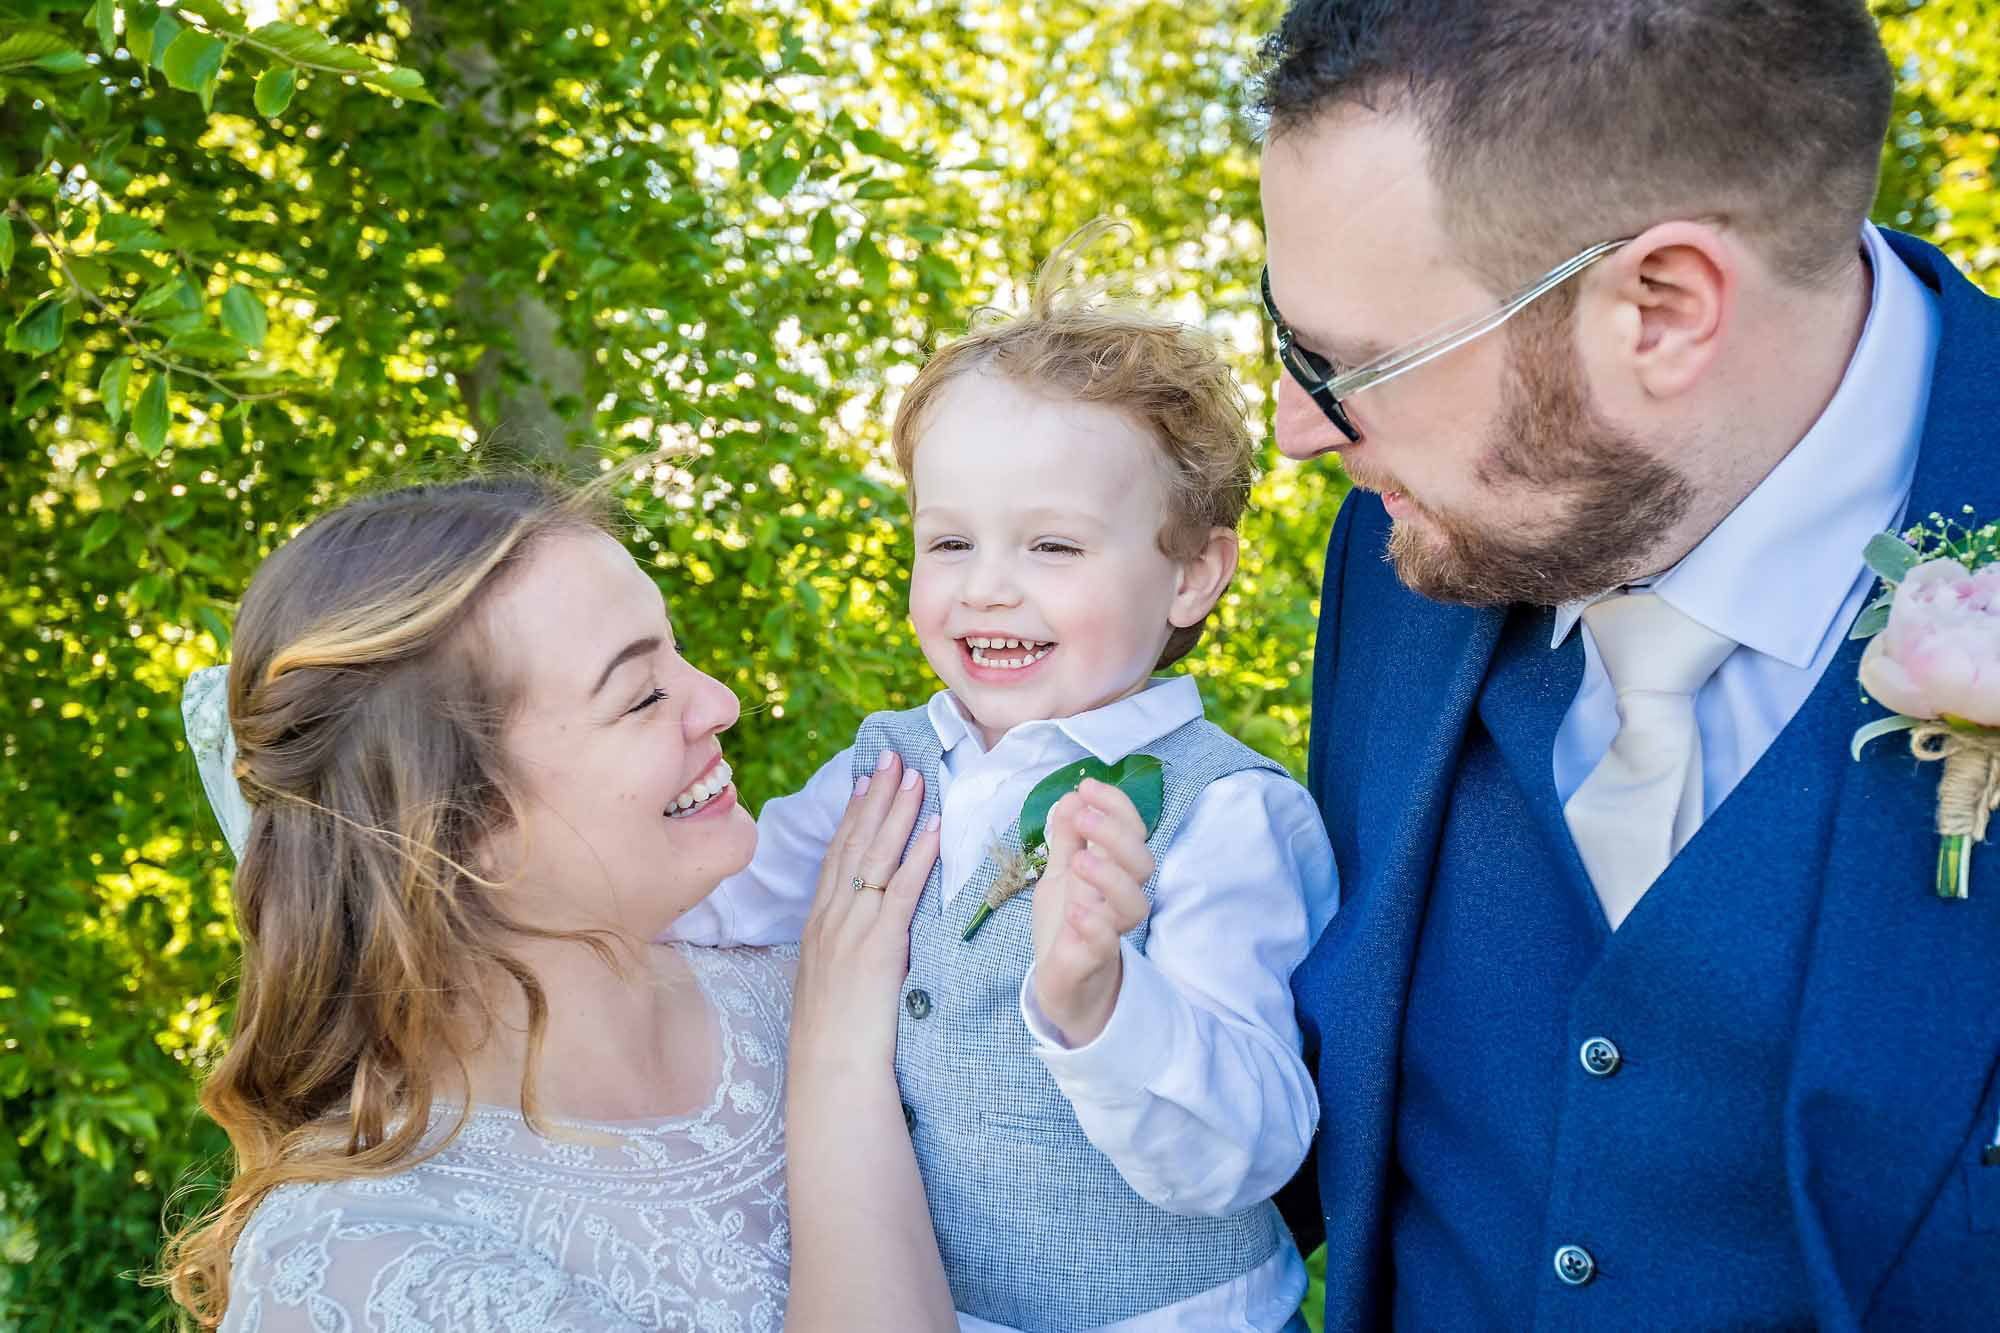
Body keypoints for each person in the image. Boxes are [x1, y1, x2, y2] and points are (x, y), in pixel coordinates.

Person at [1257, 1, 2000, 1328]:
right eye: (1288, 334)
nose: (1296, 430)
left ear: (1660, 309)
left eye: (1357, 364)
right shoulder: (1408, 543)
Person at [672, 236, 1338, 1331]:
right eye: (947, 542)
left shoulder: (1227, 815)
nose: (985, 589)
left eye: (1051, 548)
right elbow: (721, 905)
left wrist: (1103, 999)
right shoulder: (881, 768)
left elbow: (1250, 1149)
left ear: (1190, 574)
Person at [164, 474, 958, 1331]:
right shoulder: (372, 1264)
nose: (720, 703)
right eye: (643, 695)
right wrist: (838, 1062)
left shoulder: (813, 953)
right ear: (457, 826)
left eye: (676, 653)